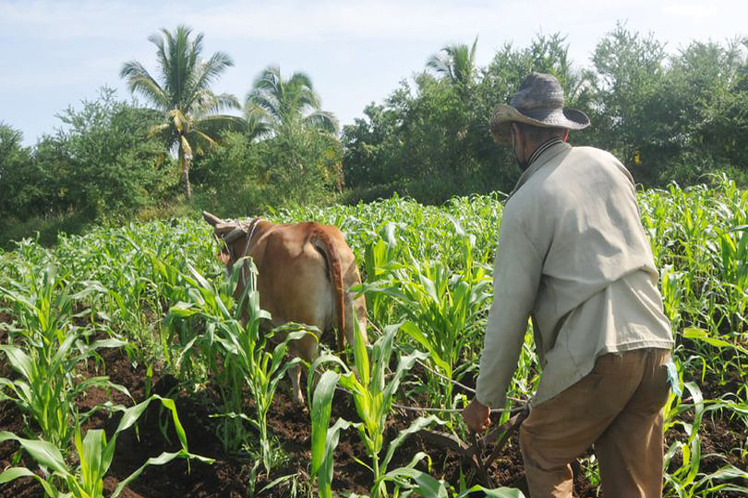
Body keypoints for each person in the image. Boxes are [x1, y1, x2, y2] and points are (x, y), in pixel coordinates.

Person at [462, 72, 675, 498]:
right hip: (655, 344)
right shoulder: (609, 164)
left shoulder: (525, 203)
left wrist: (486, 399)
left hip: (601, 353)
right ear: (562, 130)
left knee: (541, 444)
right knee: (628, 471)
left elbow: (509, 313)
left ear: (521, 136)